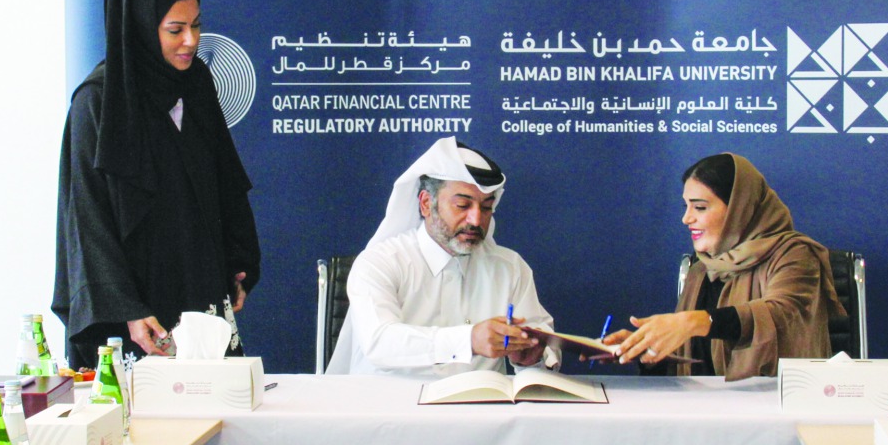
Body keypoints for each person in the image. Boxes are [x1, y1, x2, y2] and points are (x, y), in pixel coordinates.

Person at [51, 0, 261, 368]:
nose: (191, 41)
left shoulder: (196, 84)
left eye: (196, 26)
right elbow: (87, 219)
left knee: (215, 400)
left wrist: (239, 260)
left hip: (198, 288)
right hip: (135, 308)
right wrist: (126, 307)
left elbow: (223, 182)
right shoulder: (97, 103)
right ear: (141, 28)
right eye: (175, 30)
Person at [327, 136, 557, 375]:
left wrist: (530, 359)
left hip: (480, 399)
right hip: (392, 398)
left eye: (486, 207)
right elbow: (379, 342)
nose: (476, 220)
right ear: (426, 203)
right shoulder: (380, 262)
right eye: (463, 206)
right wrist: (468, 340)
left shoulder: (510, 268)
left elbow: (540, 349)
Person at [605, 152, 843, 379]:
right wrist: (646, 350)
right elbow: (693, 367)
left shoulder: (795, 254)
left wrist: (695, 321)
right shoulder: (701, 269)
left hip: (777, 400)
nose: (686, 218)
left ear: (740, 208)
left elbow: (780, 314)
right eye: (686, 207)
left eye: (700, 207)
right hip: (704, 404)